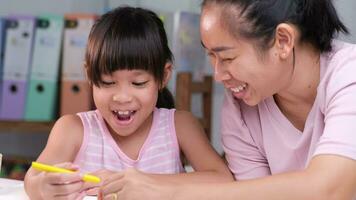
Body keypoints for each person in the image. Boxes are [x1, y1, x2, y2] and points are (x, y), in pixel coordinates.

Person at [97, 0, 356, 199]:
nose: (218, 75)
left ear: (283, 41)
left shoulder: (348, 75)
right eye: (211, 56)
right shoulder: (240, 108)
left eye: (228, 57)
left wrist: (167, 191)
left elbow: (330, 189)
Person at [24, 6, 233, 200]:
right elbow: (32, 179)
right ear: (89, 75)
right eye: (108, 82)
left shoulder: (179, 125)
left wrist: (145, 183)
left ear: (163, 76)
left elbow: (222, 179)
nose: (122, 97)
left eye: (138, 83)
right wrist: (40, 188)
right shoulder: (73, 129)